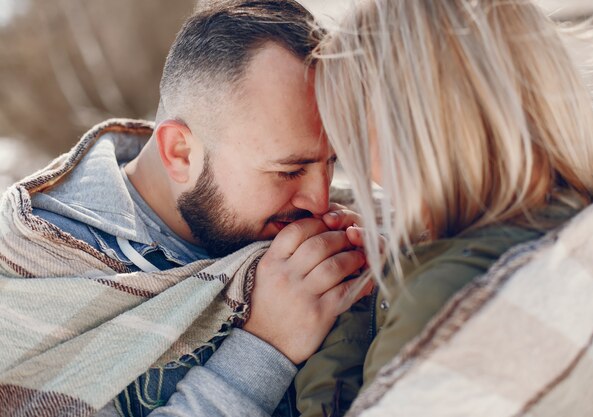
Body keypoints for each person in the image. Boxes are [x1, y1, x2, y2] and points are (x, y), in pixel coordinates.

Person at [0, 1, 370, 416]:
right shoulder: (34, 277)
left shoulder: (342, 218)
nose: (320, 200)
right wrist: (264, 350)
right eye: (288, 171)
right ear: (179, 152)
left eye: (332, 162)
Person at [295, 0, 593, 416]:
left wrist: (352, 306)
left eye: (354, 130)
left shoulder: (443, 304)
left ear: (416, 131)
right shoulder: (582, 224)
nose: (351, 155)